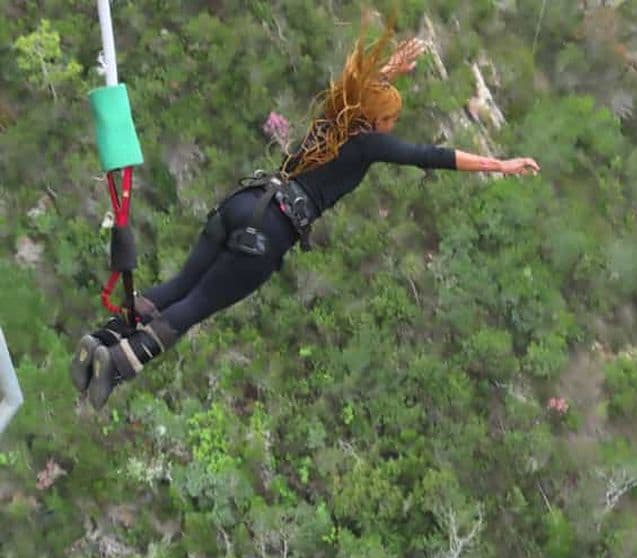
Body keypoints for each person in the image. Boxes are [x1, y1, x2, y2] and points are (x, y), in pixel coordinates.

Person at [70, 16, 540, 408]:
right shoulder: (369, 144)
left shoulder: (333, 117)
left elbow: (359, 88)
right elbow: (431, 156)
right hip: (270, 232)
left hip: (244, 201)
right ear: (377, 122)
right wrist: (499, 164)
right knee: (195, 306)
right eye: (390, 119)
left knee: (178, 286)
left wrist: (392, 67)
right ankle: (117, 366)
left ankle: (101, 341)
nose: (392, 125)